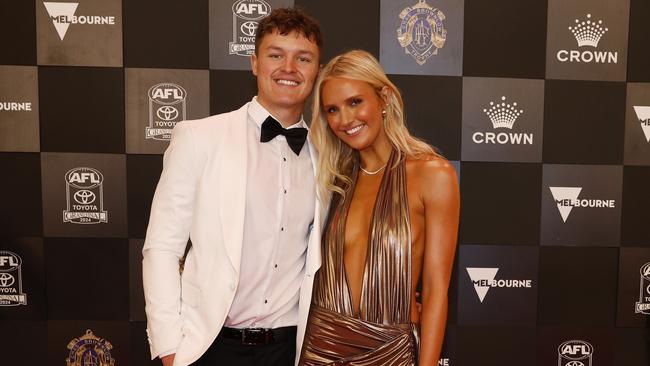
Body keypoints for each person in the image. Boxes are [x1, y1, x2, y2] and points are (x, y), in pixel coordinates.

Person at [142, 8, 324, 366]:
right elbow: (162, 247)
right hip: (208, 346)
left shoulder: (327, 154)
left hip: (290, 349)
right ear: (255, 63)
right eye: (276, 55)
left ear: (317, 69)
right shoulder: (199, 138)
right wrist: (169, 348)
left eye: (303, 58)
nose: (289, 68)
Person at [299, 50, 459, 365]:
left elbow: (436, 290)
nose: (345, 120)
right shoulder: (332, 181)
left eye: (355, 102)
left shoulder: (432, 174)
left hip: (390, 351)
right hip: (322, 346)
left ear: (383, 97)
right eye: (333, 109)